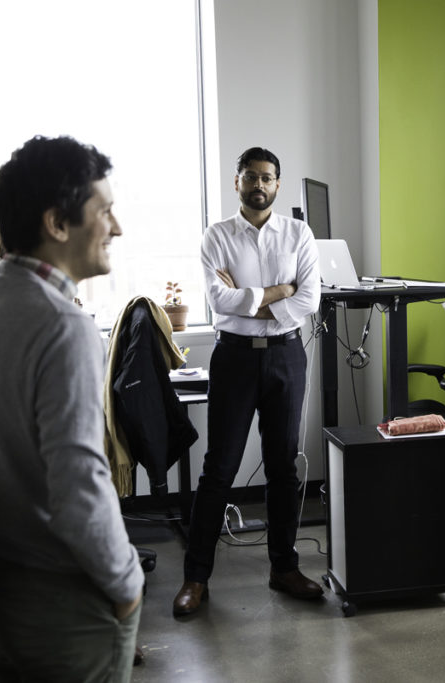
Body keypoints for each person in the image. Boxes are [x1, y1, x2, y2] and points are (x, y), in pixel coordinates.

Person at [0, 136, 143, 681]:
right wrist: (127, 584)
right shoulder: (64, 324)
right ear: (57, 223)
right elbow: (78, 483)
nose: (117, 228)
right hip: (58, 594)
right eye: (104, 211)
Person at [173, 147, 321, 616]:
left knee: (283, 468)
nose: (260, 184)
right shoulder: (216, 236)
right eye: (251, 177)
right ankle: (196, 578)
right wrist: (279, 291)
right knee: (219, 469)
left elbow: (310, 299)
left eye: (268, 177)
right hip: (234, 359)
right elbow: (219, 301)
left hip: (285, 356)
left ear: (277, 184)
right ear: (236, 182)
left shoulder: (299, 233)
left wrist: (250, 298)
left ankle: (284, 568)